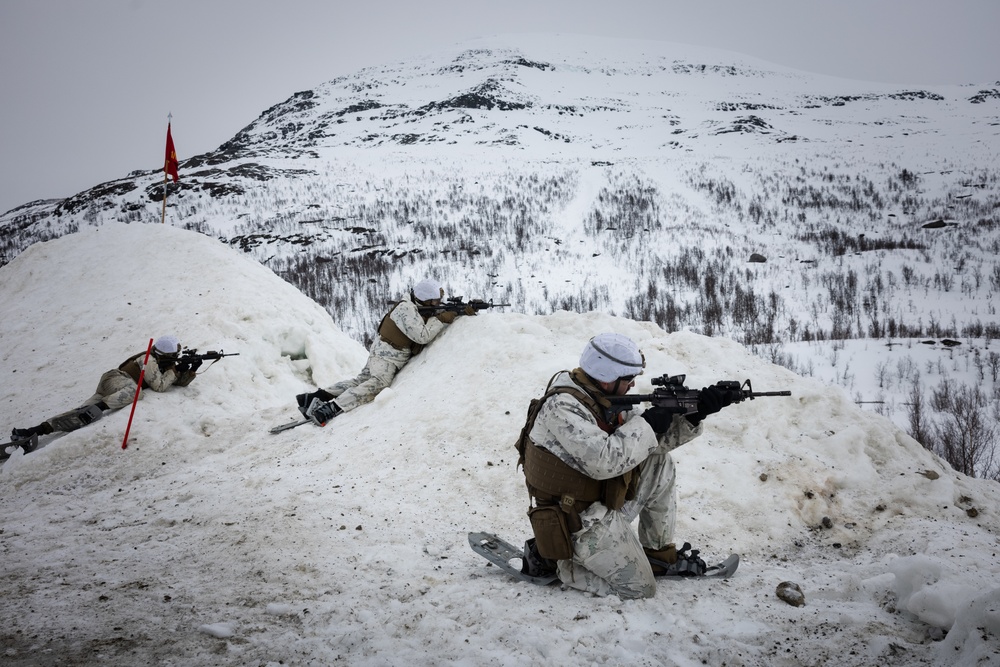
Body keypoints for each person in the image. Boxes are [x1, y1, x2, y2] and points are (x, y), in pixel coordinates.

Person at [515, 333, 737, 599]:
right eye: (628, 379)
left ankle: (657, 555)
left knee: (658, 462)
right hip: (575, 520)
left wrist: (695, 413)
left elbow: (648, 445)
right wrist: (650, 423)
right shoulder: (562, 407)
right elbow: (604, 461)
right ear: (608, 378)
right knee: (639, 588)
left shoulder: (605, 398)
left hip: (601, 501)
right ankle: (560, 563)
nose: (632, 385)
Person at [295, 278, 473, 425]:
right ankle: (331, 408)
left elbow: (430, 315)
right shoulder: (406, 309)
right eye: (434, 301)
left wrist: (459, 310)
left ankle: (314, 398)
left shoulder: (413, 304)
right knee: (378, 384)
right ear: (424, 299)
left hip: (382, 351)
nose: (437, 304)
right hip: (387, 355)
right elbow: (422, 336)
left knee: (361, 380)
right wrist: (443, 318)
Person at [8, 335, 201, 453]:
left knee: (76, 415)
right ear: (167, 355)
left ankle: (34, 431)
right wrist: (174, 370)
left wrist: (190, 369)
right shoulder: (148, 359)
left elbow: (175, 382)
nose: (175, 359)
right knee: (136, 392)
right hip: (116, 380)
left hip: (115, 386)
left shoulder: (162, 362)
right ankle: (98, 409)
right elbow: (160, 385)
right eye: (174, 357)